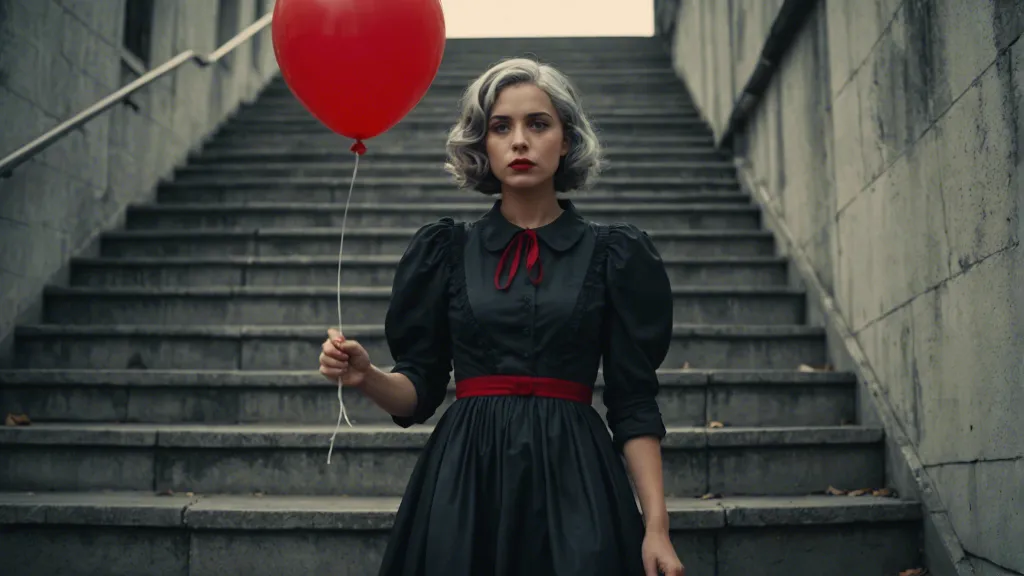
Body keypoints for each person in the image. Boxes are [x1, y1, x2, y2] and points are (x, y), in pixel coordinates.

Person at [319, 57, 685, 576]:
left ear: (566, 139)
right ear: (482, 145)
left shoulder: (615, 255)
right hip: (466, 478)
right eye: (500, 127)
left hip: (576, 475)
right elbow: (419, 390)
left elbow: (633, 403)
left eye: (538, 123)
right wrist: (367, 376)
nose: (519, 140)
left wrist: (656, 529)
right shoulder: (444, 251)